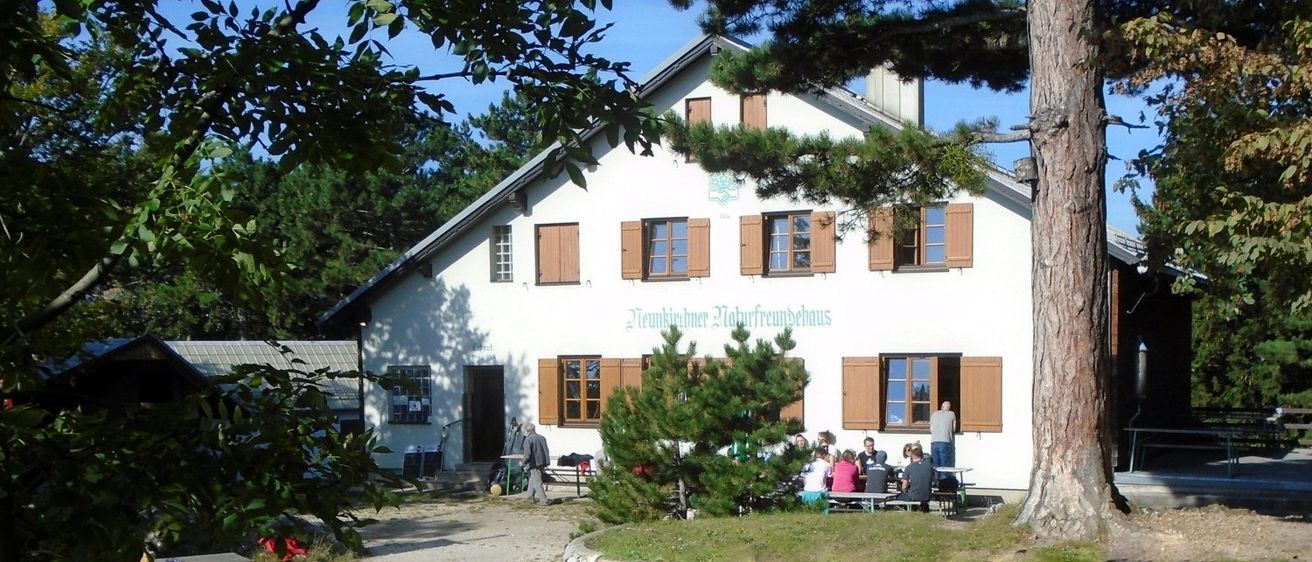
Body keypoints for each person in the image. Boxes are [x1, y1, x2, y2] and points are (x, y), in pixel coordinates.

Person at [895, 442, 933, 510]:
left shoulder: (909, 467)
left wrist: (906, 490)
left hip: (914, 496)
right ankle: (921, 508)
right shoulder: (929, 466)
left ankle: (911, 510)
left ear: (912, 453)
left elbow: (904, 487)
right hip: (927, 496)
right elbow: (933, 480)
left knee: (898, 497)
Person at [521, 422, 551, 506]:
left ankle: (544, 500)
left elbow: (527, 454)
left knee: (537, 482)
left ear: (527, 431)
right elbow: (546, 451)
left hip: (534, 464)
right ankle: (529, 497)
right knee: (532, 479)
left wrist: (523, 463)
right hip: (542, 462)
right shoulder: (542, 438)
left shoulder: (528, 439)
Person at [930, 400, 957, 480]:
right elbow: (954, 429)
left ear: (941, 407)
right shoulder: (951, 414)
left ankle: (936, 482)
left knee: (936, 465)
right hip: (945, 441)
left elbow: (931, 429)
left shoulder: (934, 414)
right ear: (948, 407)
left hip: (934, 442)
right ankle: (944, 485)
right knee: (945, 466)